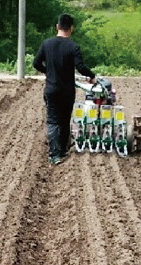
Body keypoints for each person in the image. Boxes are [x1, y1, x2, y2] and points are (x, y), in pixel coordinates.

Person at [33, 13, 95, 165]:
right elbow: (80, 67)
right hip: (67, 91)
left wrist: (47, 72)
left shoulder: (47, 44)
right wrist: (92, 76)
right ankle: (62, 150)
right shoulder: (73, 47)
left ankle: (54, 155)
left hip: (51, 90)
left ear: (57, 27)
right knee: (64, 120)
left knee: (53, 120)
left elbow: (36, 63)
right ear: (71, 29)